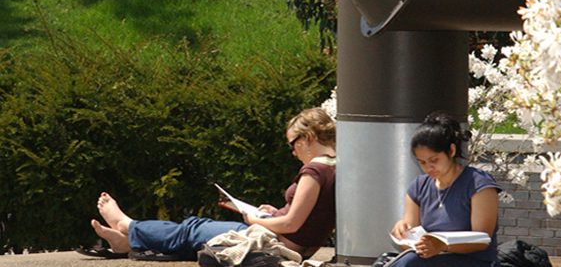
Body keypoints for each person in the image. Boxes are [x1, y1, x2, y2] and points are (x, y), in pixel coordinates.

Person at [88, 107, 336, 260]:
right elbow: (302, 216)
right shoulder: (335, 167)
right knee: (197, 239)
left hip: (274, 241)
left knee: (192, 228)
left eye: (293, 144)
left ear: (310, 137)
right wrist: (274, 211)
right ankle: (127, 241)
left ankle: (127, 225)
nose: (292, 152)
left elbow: (291, 223)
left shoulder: (314, 170)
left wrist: (254, 219)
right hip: (292, 242)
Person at [389, 111, 501, 267]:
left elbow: (482, 240)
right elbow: (410, 241)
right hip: (431, 260)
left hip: (473, 261)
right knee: (407, 261)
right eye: (422, 162)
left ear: (452, 150)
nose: (428, 168)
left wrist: (442, 245)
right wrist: (403, 233)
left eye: (434, 160)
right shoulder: (419, 186)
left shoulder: (478, 184)